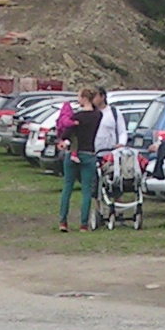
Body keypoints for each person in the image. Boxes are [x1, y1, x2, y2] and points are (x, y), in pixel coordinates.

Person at [59, 89, 100, 232]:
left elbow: (66, 133)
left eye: (79, 97)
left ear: (84, 98)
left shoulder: (76, 117)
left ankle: (63, 221)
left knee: (67, 187)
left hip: (73, 153)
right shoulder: (97, 116)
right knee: (86, 190)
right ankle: (83, 224)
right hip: (89, 153)